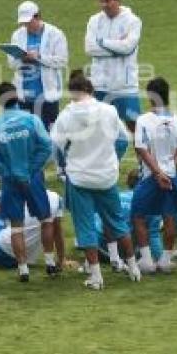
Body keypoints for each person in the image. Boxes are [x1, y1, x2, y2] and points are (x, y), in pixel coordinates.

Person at [51, 71, 140, 290]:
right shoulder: (108, 110)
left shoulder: (65, 116)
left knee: (85, 227)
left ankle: (96, 276)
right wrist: (113, 159)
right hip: (106, 175)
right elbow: (123, 139)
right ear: (90, 89)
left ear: (72, 93)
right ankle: (133, 268)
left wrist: (65, 167)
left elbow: (57, 146)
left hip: (80, 177)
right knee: (117, 223)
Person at [0, 81, 57, 281]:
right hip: (33, 177)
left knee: (16, 225)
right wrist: (32, 169)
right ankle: (50, 263)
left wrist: (8, 173)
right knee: (46, 219)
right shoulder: (32, 120)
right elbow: (46, 146)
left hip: (10, 181)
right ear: (17, 97)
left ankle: (23, 269)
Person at [132, 77, 177, 274]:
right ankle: (165, 259)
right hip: (171, 176)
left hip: (150, 175)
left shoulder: (144, 120)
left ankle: (147, 260)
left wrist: (157, 172)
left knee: (138, 216)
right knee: (169, 216)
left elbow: (142, 150)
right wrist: (168, 168)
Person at [84, 0, 142, 130]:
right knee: (97, 127)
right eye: (101, 1)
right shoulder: (94, 20)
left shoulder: (133, 21)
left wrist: (101, 42)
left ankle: (142, 154)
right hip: (100, 84)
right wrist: (117, 46)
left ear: (118, 0)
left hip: (125, 86)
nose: (104, 5)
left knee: (134, 126)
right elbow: (89, 49)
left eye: (108, 1)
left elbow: (128, 48)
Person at [5, 1, 68, 130]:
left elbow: (62, 60)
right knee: (27, 133)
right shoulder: (17, 35)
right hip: (24, 95)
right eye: (24, 23)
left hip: (47, 96)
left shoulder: (55, 34)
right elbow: (11, 63)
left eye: (29, 22)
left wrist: (39, 57)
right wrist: (24, 59)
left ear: (37, 16)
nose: (26, 26)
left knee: (48, 133)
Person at [0, 189, 66, 273]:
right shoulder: (56, 198)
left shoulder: (16, 192)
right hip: (27, 257)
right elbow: (58, 233)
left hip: (1, 249)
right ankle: (50, 262)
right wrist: (61, 260)